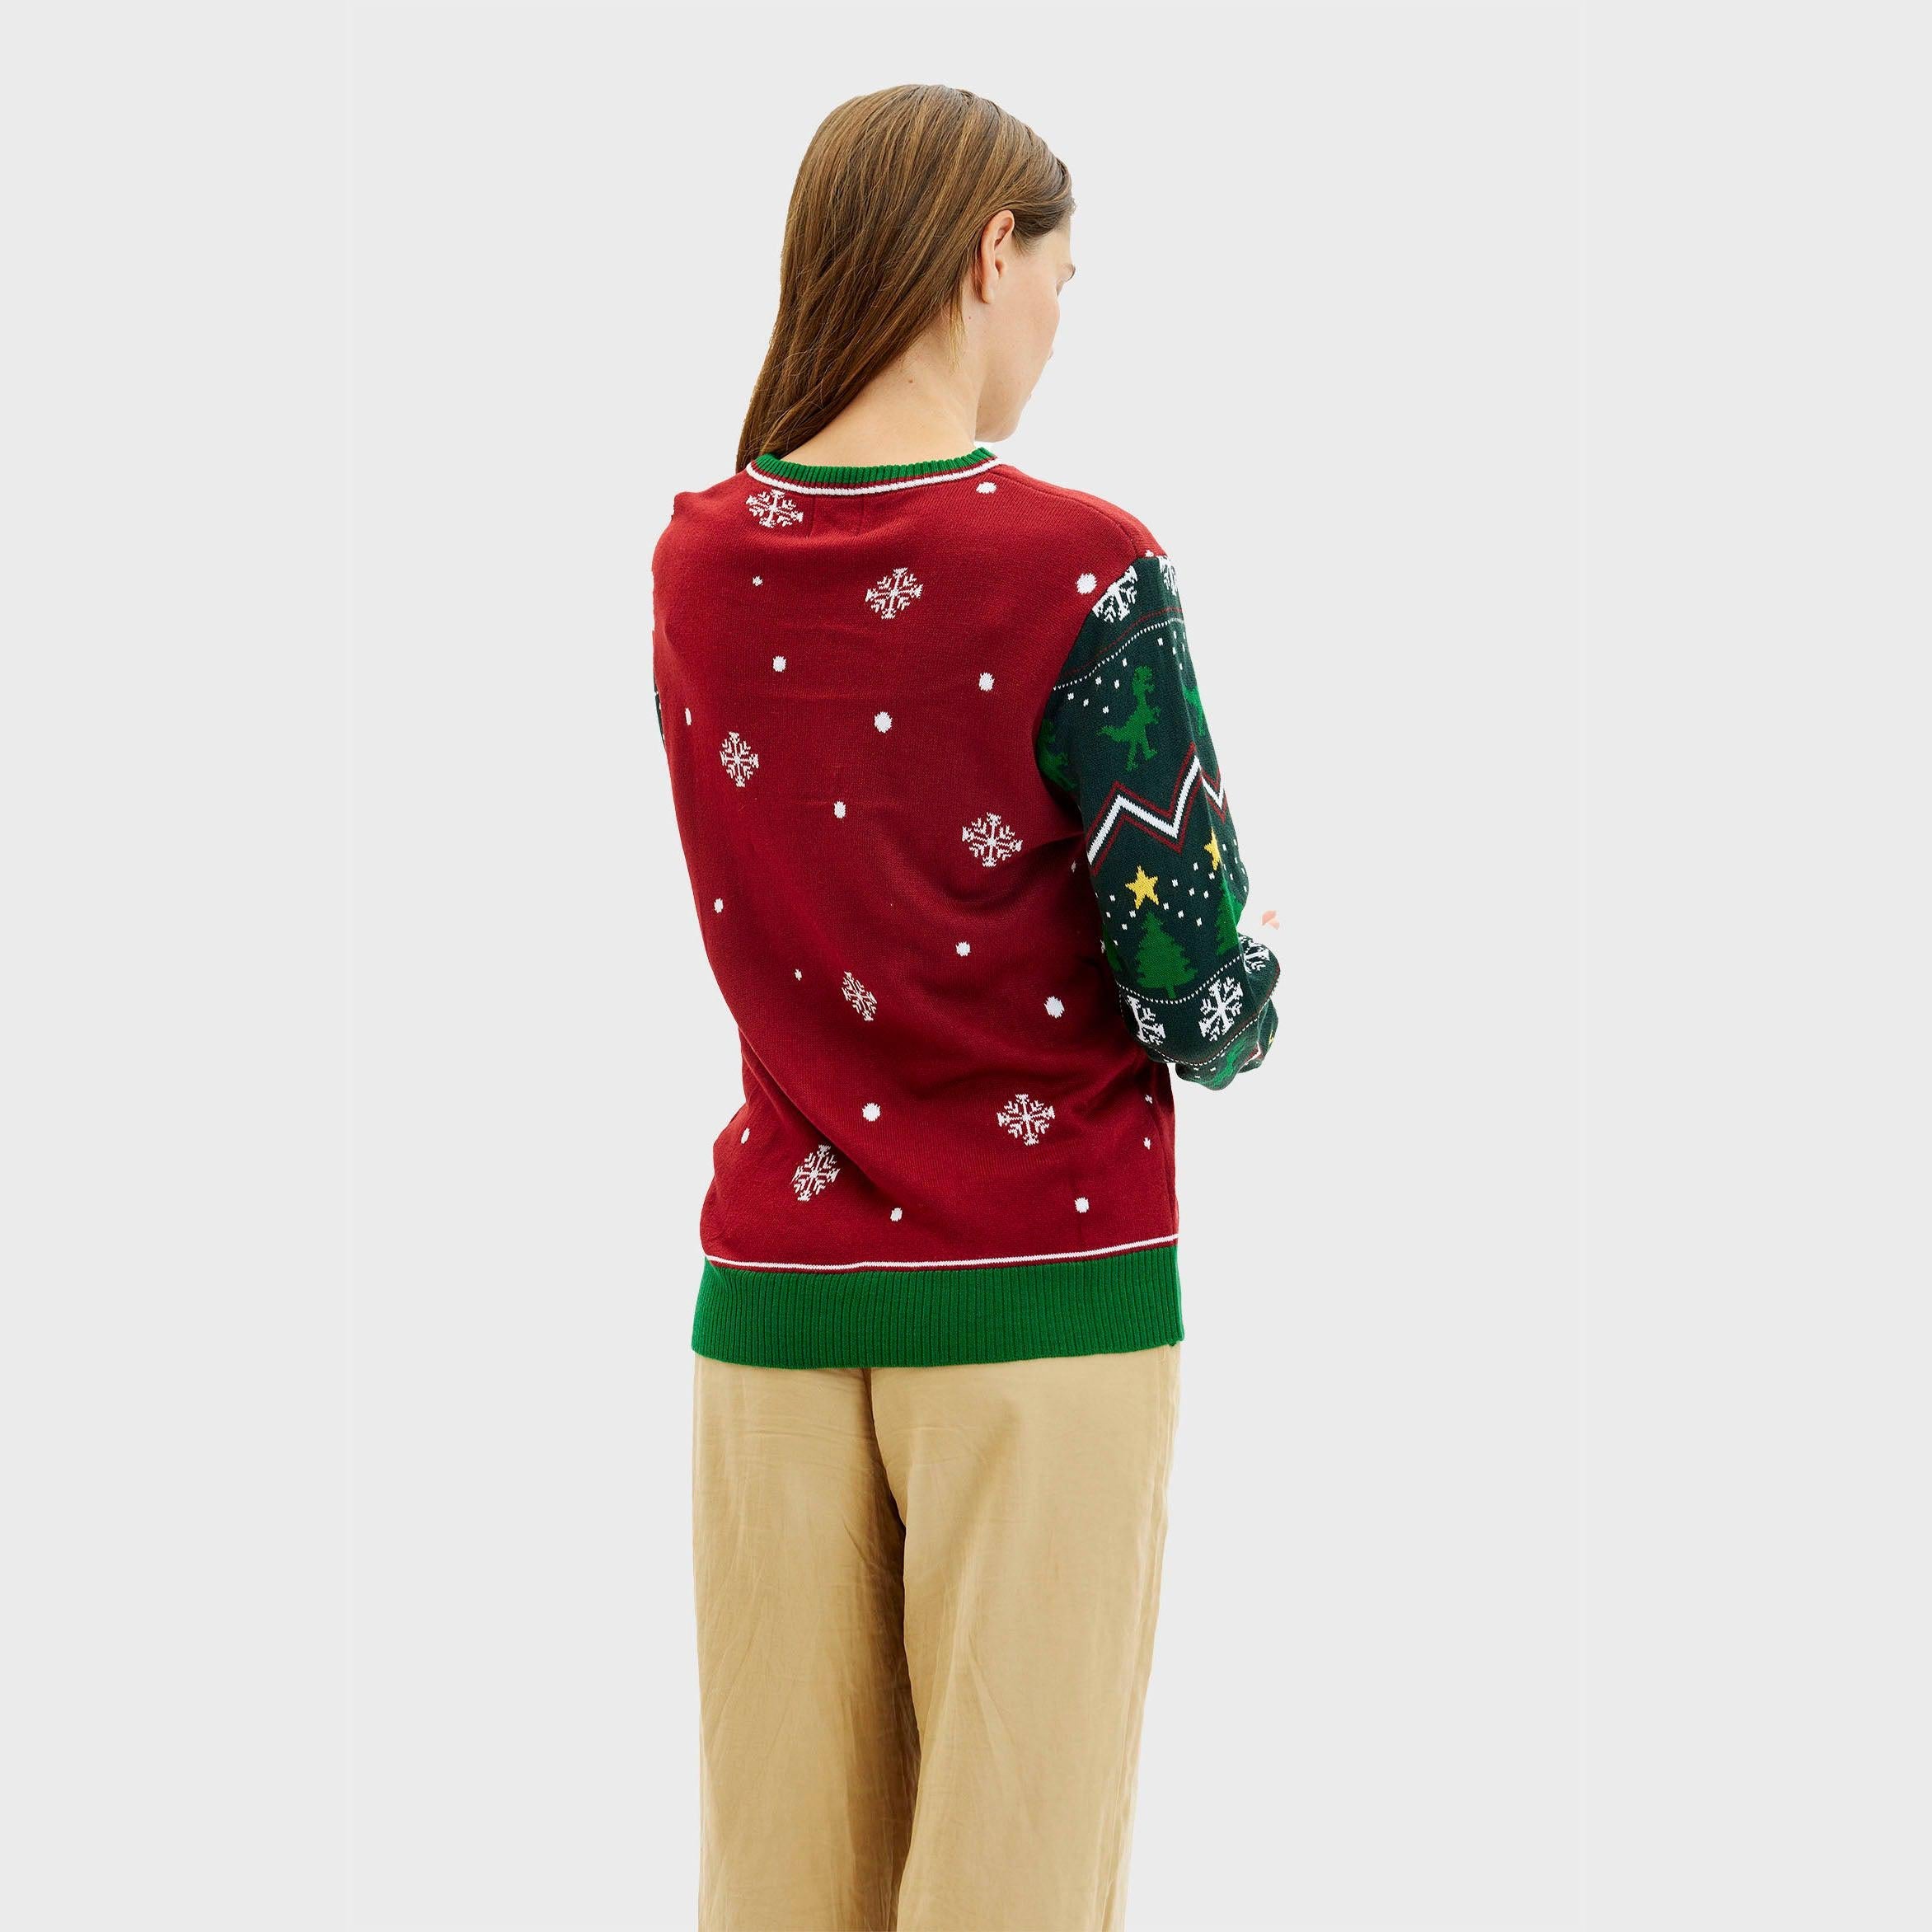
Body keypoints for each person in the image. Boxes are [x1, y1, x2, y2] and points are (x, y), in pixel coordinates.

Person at [650, 82, 1283, 1932]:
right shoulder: (1082, 565)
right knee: (1016, 1885)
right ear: (988, 254)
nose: (1054, 332)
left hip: (772, 1307)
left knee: (779, 1885)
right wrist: (1251, 984)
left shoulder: (696, 560)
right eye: (1060, 283)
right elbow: (1196, 997)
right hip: (1043, 1299)